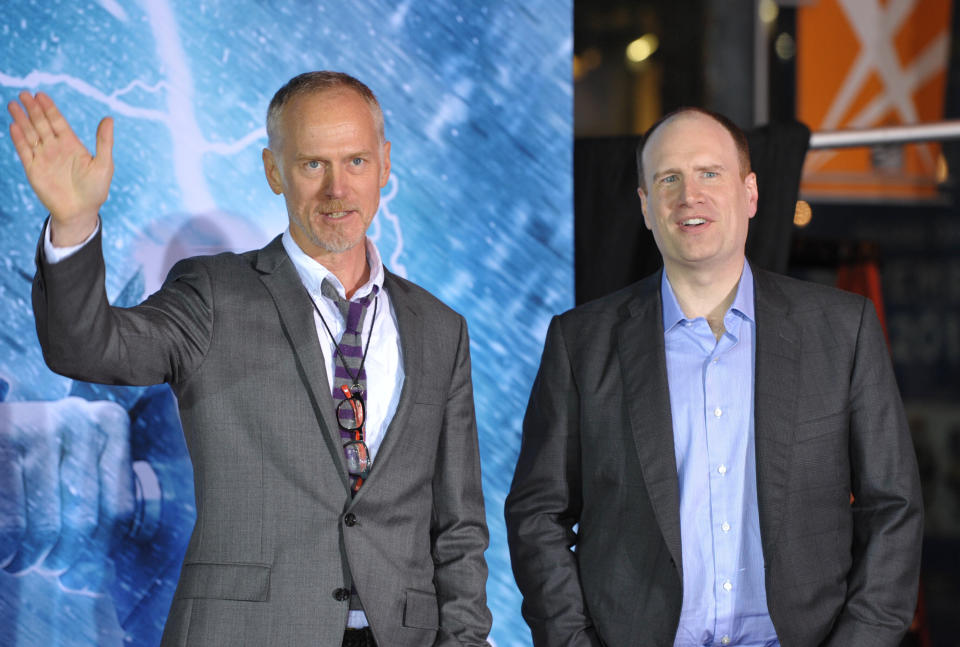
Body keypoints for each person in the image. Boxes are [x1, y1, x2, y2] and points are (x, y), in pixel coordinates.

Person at [9, 71, 492, 647]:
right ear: (272, 170)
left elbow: (458, 525)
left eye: (356, 162)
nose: (337, 189)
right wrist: (73, 224)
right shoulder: (213, 294)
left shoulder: (441, 329)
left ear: (385, 165)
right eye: (313, 164)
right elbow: (88, 347)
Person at [504, 107, 923, 647]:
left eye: (709, 173)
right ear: (646, 207)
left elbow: (893, 508)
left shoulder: (843, 331)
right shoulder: (580, 342)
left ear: (750, 194)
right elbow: (538, 516)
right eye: (668, 178)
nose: (688, 196)